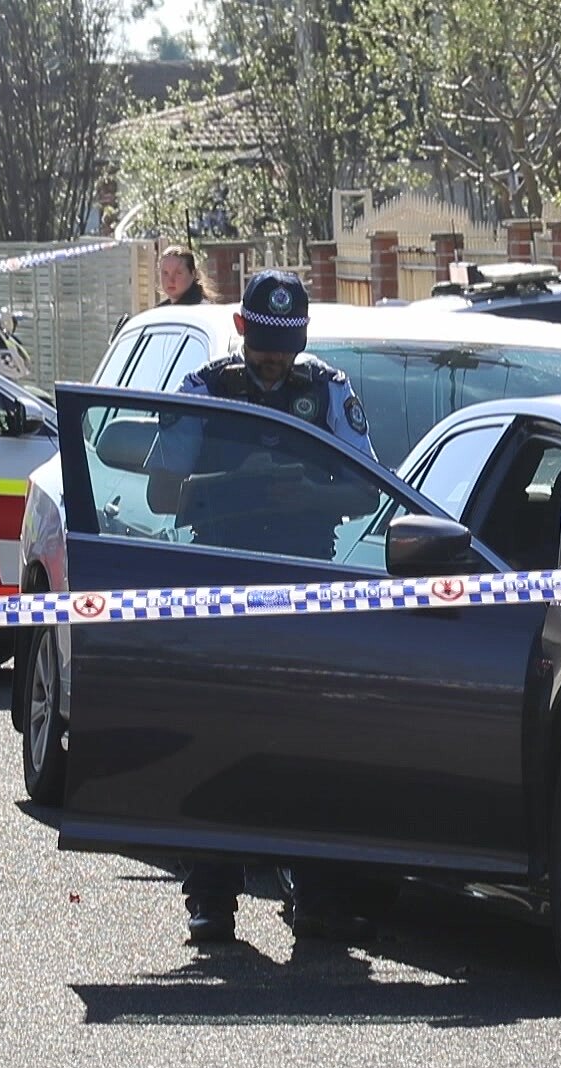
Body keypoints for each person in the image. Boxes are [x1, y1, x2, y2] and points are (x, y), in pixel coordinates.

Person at [141, 269, 380, 945]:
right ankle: (211, 897)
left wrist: (306, 493)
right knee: (219, 737)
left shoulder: (328, 390)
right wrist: (235, 484)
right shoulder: (205, 389)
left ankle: (319, 893)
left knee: (310, 739)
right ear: (243, 327)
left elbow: (365, 490)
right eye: (266, 340)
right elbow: (162, 495)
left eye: (289, 341)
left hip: (304, 581)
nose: (276, 357)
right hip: (222, 582)